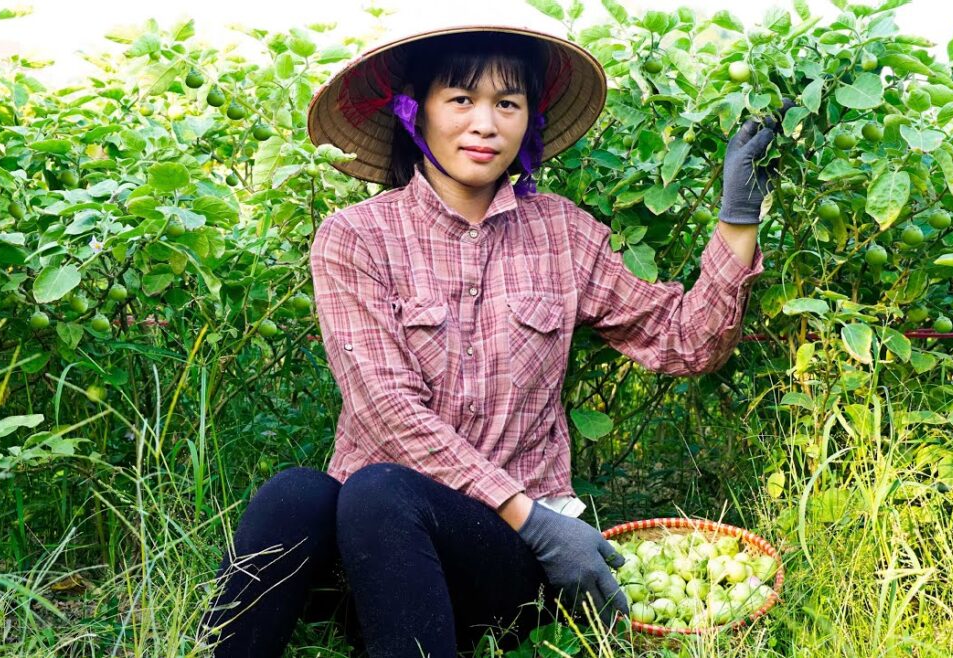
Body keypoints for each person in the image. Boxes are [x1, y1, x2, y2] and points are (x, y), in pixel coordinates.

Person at [202, 22, 781, 658]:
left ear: (528, 120)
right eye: (460, 99)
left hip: (501, 562)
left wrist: (737, 218)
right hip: (378, 552)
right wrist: (532, 515)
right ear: (414, 108)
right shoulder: (356, 238)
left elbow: (687, 341)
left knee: (380, 490)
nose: (485, 124)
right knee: (299, 494)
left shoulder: (561, 233)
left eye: (507, 103)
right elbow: (386, 410)